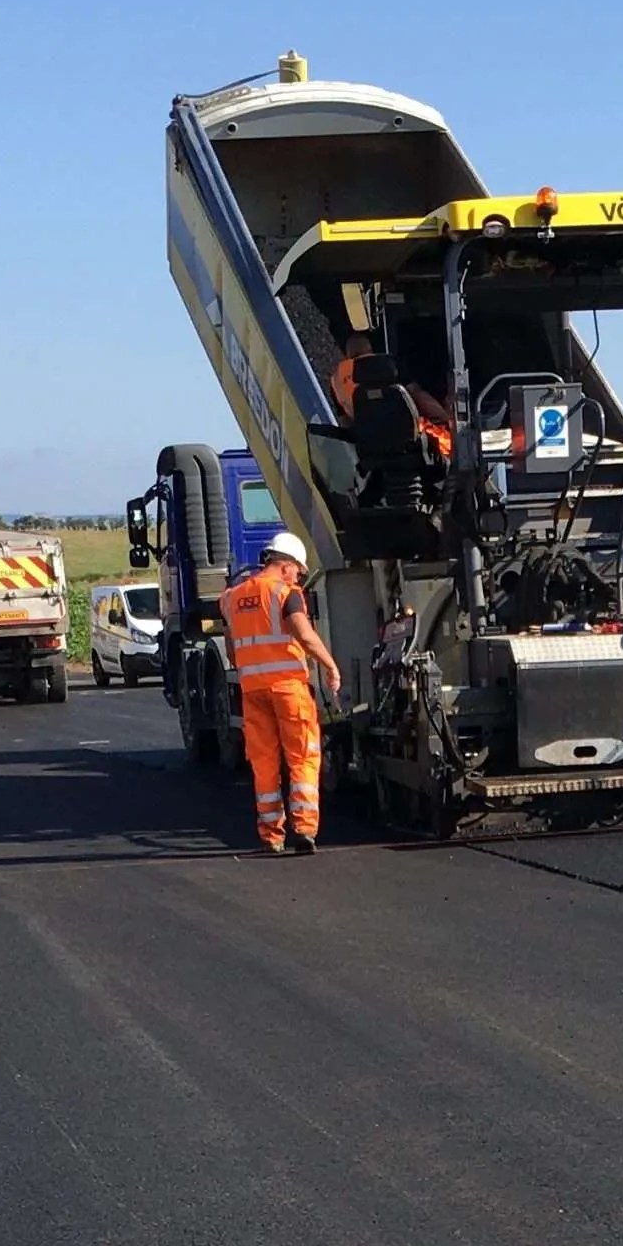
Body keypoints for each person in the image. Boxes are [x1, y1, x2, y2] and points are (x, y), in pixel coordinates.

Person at [221, 529, 342, 856]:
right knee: (303, 755)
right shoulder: (285, 593)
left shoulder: (232, 598)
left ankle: (272, 835)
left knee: (263, 761)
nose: (299, 578)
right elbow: (304, 634)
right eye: (299, 572)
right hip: (288, 688)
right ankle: (304, 829)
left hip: (252, 690)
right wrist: (330, 665)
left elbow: (232, 648)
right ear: (286, 564)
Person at [332, 332, 454, 461]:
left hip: (371, 446)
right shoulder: (390, 365)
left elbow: (345, 423)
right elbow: (420, 397)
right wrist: (446, 419)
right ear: (370, 349)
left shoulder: (336, 381)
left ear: (347, 355)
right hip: (408, 438)